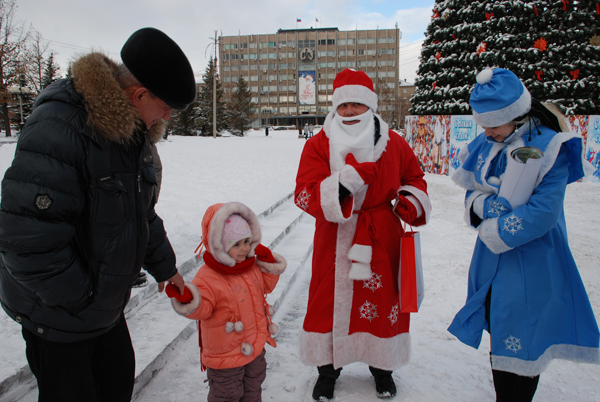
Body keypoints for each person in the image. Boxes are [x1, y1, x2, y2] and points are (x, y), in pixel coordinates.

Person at [0, 27, 196, 401]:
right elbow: (24, 239)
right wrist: (86, 297)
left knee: (117, 383)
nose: (167, 116)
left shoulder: (129, 135)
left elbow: (139, 215)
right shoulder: (60, 127)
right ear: (139, 95)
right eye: (166, 107)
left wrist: (167, 270)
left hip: (100, 307)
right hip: (58, 317)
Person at [448, 67, 600, 401]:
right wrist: (491, 208)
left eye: (493, 125)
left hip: (533, 256)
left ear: (516, 116)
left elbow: (543, 213)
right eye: (483, 124)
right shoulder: (488, 141)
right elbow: (472, 195)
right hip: (491, 257)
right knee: (500, 323)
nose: (486, 132)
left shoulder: (550, 146)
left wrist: (493, 219)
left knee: (524, 330)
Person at [294, 68, 431, 401]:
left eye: (357, 104)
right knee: (328, 303)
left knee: (382, 302)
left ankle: (382, 367)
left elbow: (415, 178)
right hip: (334, 237)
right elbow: (303, 193)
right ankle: (327, 371)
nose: (350, 111)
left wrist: (410, 200)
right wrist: (345, 183)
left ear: (369, 105)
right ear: (334, 108)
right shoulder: (318, 145)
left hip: (381, 235)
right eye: (344, 105)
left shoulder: (394, 142)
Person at [167, 202, 287, 401]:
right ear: (220, 246)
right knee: (227, 395)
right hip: (224, 355)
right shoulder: (208, 277)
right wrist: (188, 298)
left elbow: (266, 286)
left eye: (247, 241)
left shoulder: (250, 266)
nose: (245, 249)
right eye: (236, 244)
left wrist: (268, 263)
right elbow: (203, 308)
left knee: (253, 389)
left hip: (254, 346)